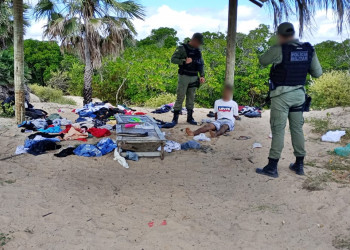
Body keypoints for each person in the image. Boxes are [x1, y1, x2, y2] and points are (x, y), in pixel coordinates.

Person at [256, 22, 323, 178]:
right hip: (299, 96)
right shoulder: (308, 49)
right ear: (293, 33)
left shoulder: (279, 49)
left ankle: (272, 167)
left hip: (281, 96)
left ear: (280, 35)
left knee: (278, 130)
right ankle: (299, 164)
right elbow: (317, 73)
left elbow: (263, 60)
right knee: (297, 129)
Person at [171, 33, 206, 125]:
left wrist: (202, 76)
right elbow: (173, 59)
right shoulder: (182, 48)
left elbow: (201, 64)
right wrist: (183, 61)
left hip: (194, 76)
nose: (199, 45)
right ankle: (175, 119)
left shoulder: (198, 51)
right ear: (193, 40)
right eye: (198, 42)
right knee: (180, 97)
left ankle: (190, 118)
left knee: (191, 98)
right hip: (184, 76)